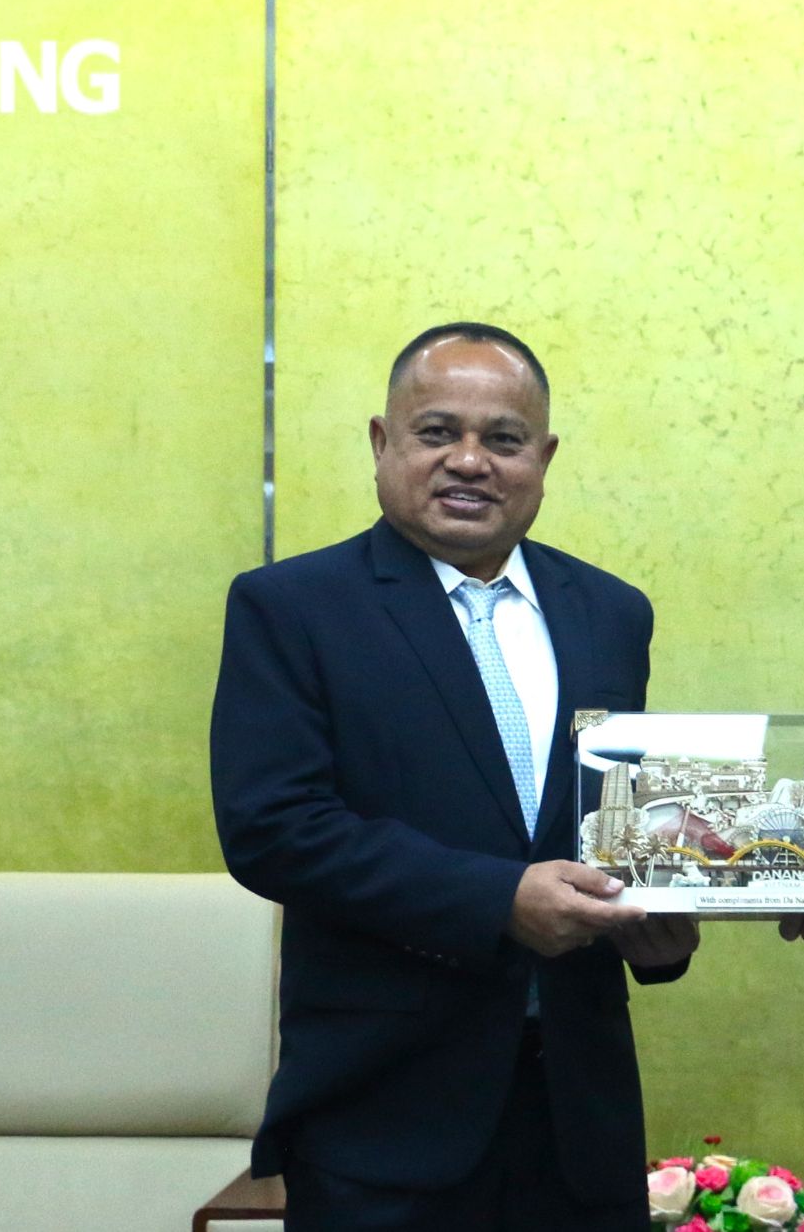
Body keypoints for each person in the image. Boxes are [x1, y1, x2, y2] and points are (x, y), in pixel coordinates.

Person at [210, 322, 698, 1231]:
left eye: (503, 440)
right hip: (385, 1118)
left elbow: (614, 825)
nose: (470, 461)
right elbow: (273, 829)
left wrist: (655, 925)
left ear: (543, 458)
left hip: (577, 1118)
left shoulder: (611, 612)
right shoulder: (292, 608)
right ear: (381, 442)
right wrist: (496, 898)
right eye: (438, 432)